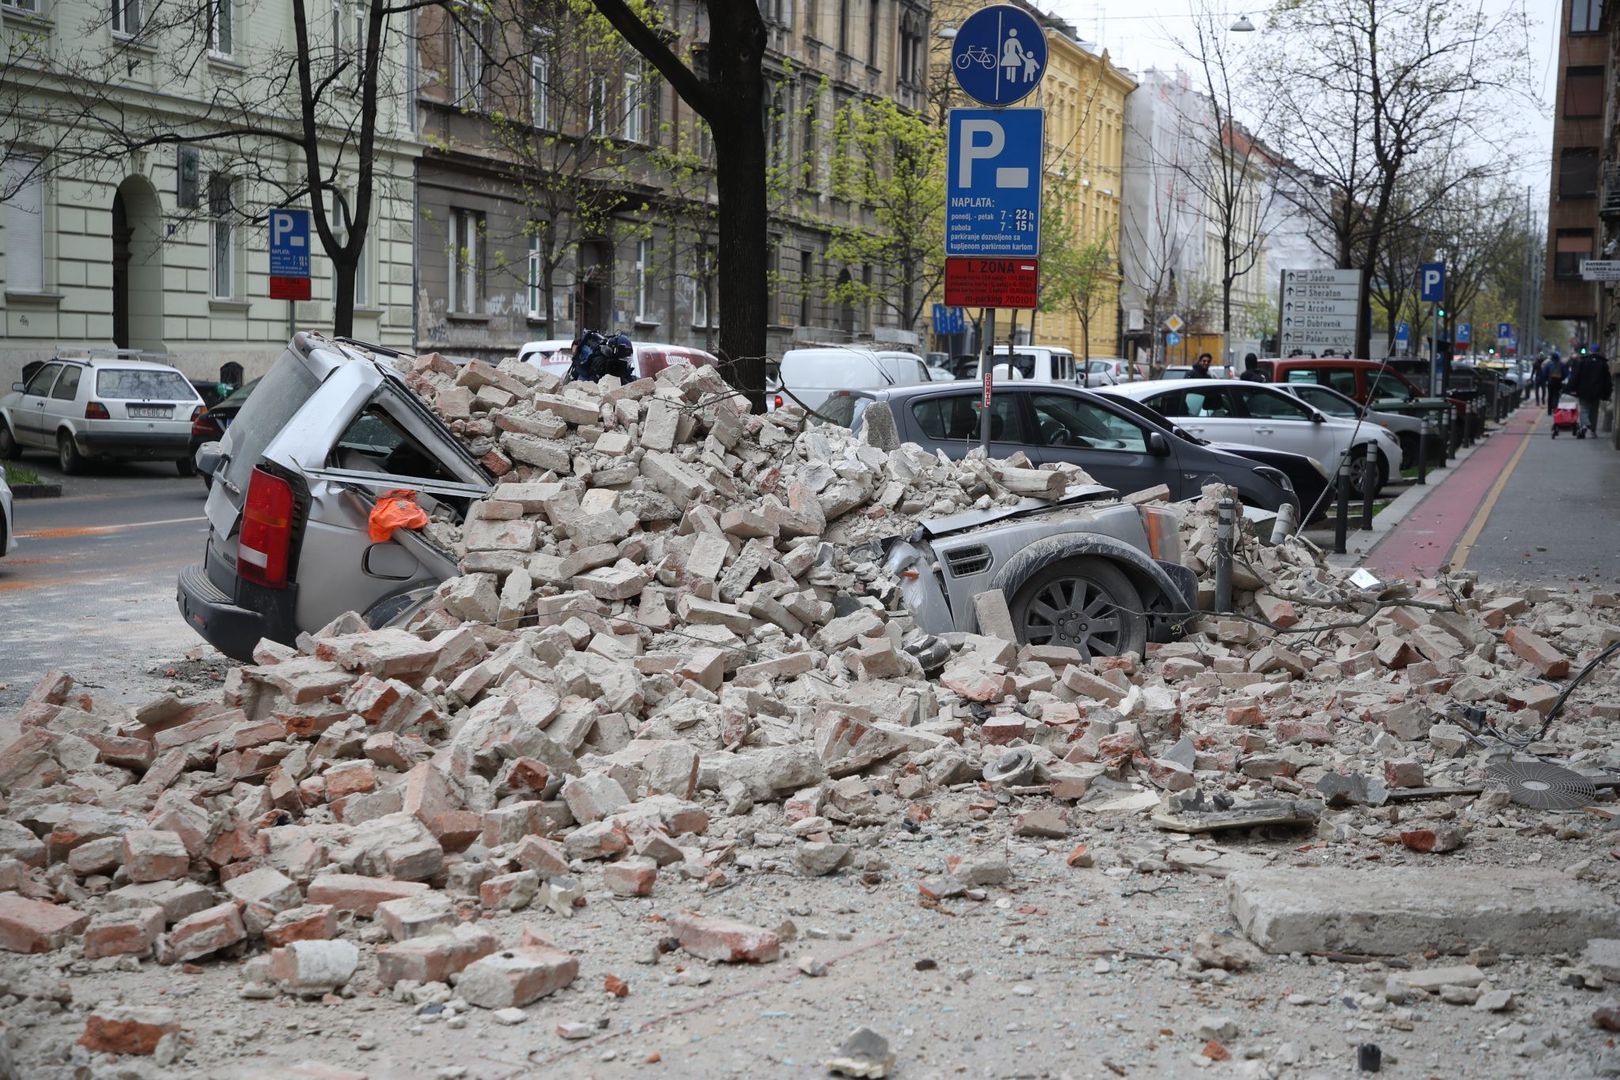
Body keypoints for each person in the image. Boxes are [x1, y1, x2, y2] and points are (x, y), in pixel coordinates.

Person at [1569, 349, 1613, 439]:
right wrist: (1607, 393)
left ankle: (1585, 425)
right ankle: (1593, 431)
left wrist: (1571, 388)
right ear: (1599, 352)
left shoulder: (1583, 361)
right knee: (1594, 411)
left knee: (1584, 409)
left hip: (1583, 391)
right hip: (1597, 392)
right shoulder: (1602, 363)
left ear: (1590, 351)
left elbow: (1576, 376)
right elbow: (1607, 380)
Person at [1544, 351, 1566, 420]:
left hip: (1550, 383)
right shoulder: (1561, 364)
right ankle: (1555, 409)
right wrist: (1561, 379)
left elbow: (1544, 373)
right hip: (1558, 383)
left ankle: (1549, 411)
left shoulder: (1548, 364)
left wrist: (1547, 380)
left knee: (1550, 396)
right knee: (1556, 395)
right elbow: (1566, 373)